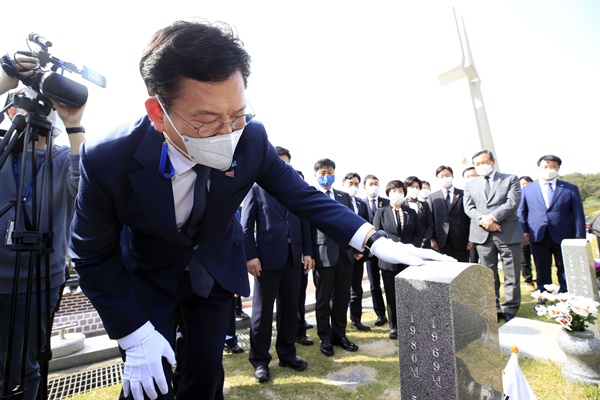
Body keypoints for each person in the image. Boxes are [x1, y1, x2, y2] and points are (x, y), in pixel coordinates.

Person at [68, 20, 452, 400]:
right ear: (158, 113)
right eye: (207, 121)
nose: (227, 133)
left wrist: (376, 240)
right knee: (149, 386)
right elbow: (90, 254)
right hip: (147, 278)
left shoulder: (250, 138)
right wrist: (133, 334)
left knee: (204, 375)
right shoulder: (109, 158)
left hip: (212, 273)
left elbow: (303, 196)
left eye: (235, 115)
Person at [0, 56, 86, 400]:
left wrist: (75, 123)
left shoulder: (63, 157)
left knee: (25, 368)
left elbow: (85, 191)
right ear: (10, 112)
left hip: (39, 283)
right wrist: (7, 78)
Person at [240, 146, 313, 383]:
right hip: (267, 260)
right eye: (278, 162)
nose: (283, 167)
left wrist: (308, 252)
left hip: (293, 258)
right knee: (261, 314)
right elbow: (245, 227)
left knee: (290, 310)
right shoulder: (256, 189)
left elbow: (305, 223)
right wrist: (251, 256)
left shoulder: (295, 191)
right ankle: (260, 361)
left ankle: (287, 354)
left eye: (286, 164)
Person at [464, 150, 523, 322]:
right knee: (489, 274)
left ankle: (511, 308)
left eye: (484, 162)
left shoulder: (510, 179)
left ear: (492, 161)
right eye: (477, 164)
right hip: (483, 236)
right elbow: (469, 208)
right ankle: (493, 307)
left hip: (508, 233)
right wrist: (484, 221)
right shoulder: (470, 185)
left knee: (511, 273)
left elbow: (512, 202)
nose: (481, 166)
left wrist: (492, 217)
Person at [310, 159, 360, 357]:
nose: (326, 175)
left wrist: (357, 248)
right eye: (322, 172)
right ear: (315, 175)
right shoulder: (310, 196)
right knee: (323, 299)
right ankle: (325, 337)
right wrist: (309, 253)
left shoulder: (344, 196)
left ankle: (340, 334)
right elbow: (308, 226)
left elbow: (351, 223)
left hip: (345, 253)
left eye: (330, 172)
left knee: (342, 297)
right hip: (322, 254)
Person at [518, 155, 586, 293]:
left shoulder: (570, 189)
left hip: (564, 234)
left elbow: (578, 214)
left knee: (565, 267)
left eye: (553, 167)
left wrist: (579, 236)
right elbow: (521, 213)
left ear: (558, 168)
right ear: (539, 168)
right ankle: (544, 296)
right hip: (537, 235)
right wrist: (524, 232)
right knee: (542, 268)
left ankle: (567, 295)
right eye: (545, 166)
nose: (549, 169)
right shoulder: (527, 189)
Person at [373, 180, 423, 340]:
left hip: (408, 259)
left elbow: (418, 233)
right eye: (393, 191)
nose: (397, 194)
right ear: (388, 193)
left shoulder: (411, 212)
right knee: (391, 293)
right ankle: (395, 326)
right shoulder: (381, 212)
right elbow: (377, 234)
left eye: (400, 191)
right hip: (389, 260)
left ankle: (412, 322)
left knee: (410, 292)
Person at [341, 172, 370, 332]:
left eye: (356, 183)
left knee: (356, 288)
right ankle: (339, 323)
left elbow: (365, 227)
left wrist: (360, 250)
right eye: (350, 183)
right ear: (343, 183)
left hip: (359, 254)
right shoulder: (338, 201)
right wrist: (351, 249)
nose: (354, 186)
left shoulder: (361, 204)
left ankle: (356, 319)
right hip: (344, 253)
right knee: (341, 290)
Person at [361, 174, 390, 327]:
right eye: (371, 184)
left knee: (389, 282)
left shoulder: (387, 202)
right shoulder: (360, 204)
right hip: (369, 251)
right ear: (364, 187)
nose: (374, 186)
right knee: (374, 284)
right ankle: (380, 314)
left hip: (385, 250)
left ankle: (393, 313)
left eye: (376, 183)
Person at [428, 166, 471, 262]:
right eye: (441, 176)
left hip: (461, 238)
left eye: (447, 175)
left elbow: (469, 217)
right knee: (446, 269)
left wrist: (471, 238)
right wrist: (432, 239)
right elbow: (430, 220)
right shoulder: (433, 197)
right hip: (442, 239)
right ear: (437, 179)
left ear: (452, 176)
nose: (445, 178)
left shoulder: (463, 194)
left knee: (462, 266)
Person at [404, 176, 434, 248]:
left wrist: (423, 240)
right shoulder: (401, 205)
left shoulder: (424, 205)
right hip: (406, 244)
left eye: (417, 187)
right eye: (412, 186)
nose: (415, 189)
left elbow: (429, 225)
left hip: (423, 244)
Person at [518, 176, 535, 290]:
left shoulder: (536, 196)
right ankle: (528, 280)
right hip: (522, 232)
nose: (524, 186)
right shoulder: (517, 197)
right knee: (524, 258)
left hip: (537, 230)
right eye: (522, 184)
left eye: (526, 183)